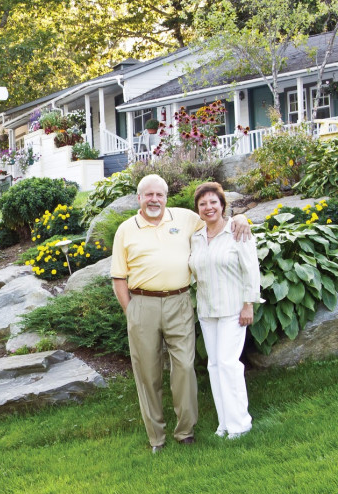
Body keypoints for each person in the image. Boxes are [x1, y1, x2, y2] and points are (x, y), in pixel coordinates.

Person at [110, 174, 249, 453]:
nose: (154, 200)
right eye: (148, 195)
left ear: (166, 197)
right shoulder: (126, 229)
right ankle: (156, 437)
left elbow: (216, 220)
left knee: (184, 367)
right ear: (139, 199)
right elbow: (118, 278)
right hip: (142, 304)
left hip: (179, 301)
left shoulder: (185, 218)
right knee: (147, 373)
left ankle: (185, 430)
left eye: (159, 195)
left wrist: (240, 219)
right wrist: (132, 311)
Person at [189, 182, 261, 440]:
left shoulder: (237, 230)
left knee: (229, 364)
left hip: (234, 309)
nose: (208, 208)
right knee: (215, 365)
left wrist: (248, 303)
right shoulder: (196, 237)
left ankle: (241, 424)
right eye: (203, 204)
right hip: (208, 311)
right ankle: (224, 423)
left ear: (222, 205)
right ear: (197, 209)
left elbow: (251, 269)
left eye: (213, 202)